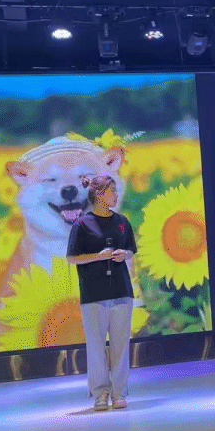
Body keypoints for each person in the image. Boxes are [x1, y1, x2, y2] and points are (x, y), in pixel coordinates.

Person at [65, 175, 137, 410]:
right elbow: (72, 257)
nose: (116, 195)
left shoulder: (122, 222)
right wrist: (98, 256)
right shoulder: (82, 224)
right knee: (96, 347)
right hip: (93, 293)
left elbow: (131, 250)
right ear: (99, 194)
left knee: (120, 346)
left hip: (121, 290)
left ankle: (119, 393)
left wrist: (124, 254)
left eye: (115, 191)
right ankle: (100, 394)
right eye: (112, 191)